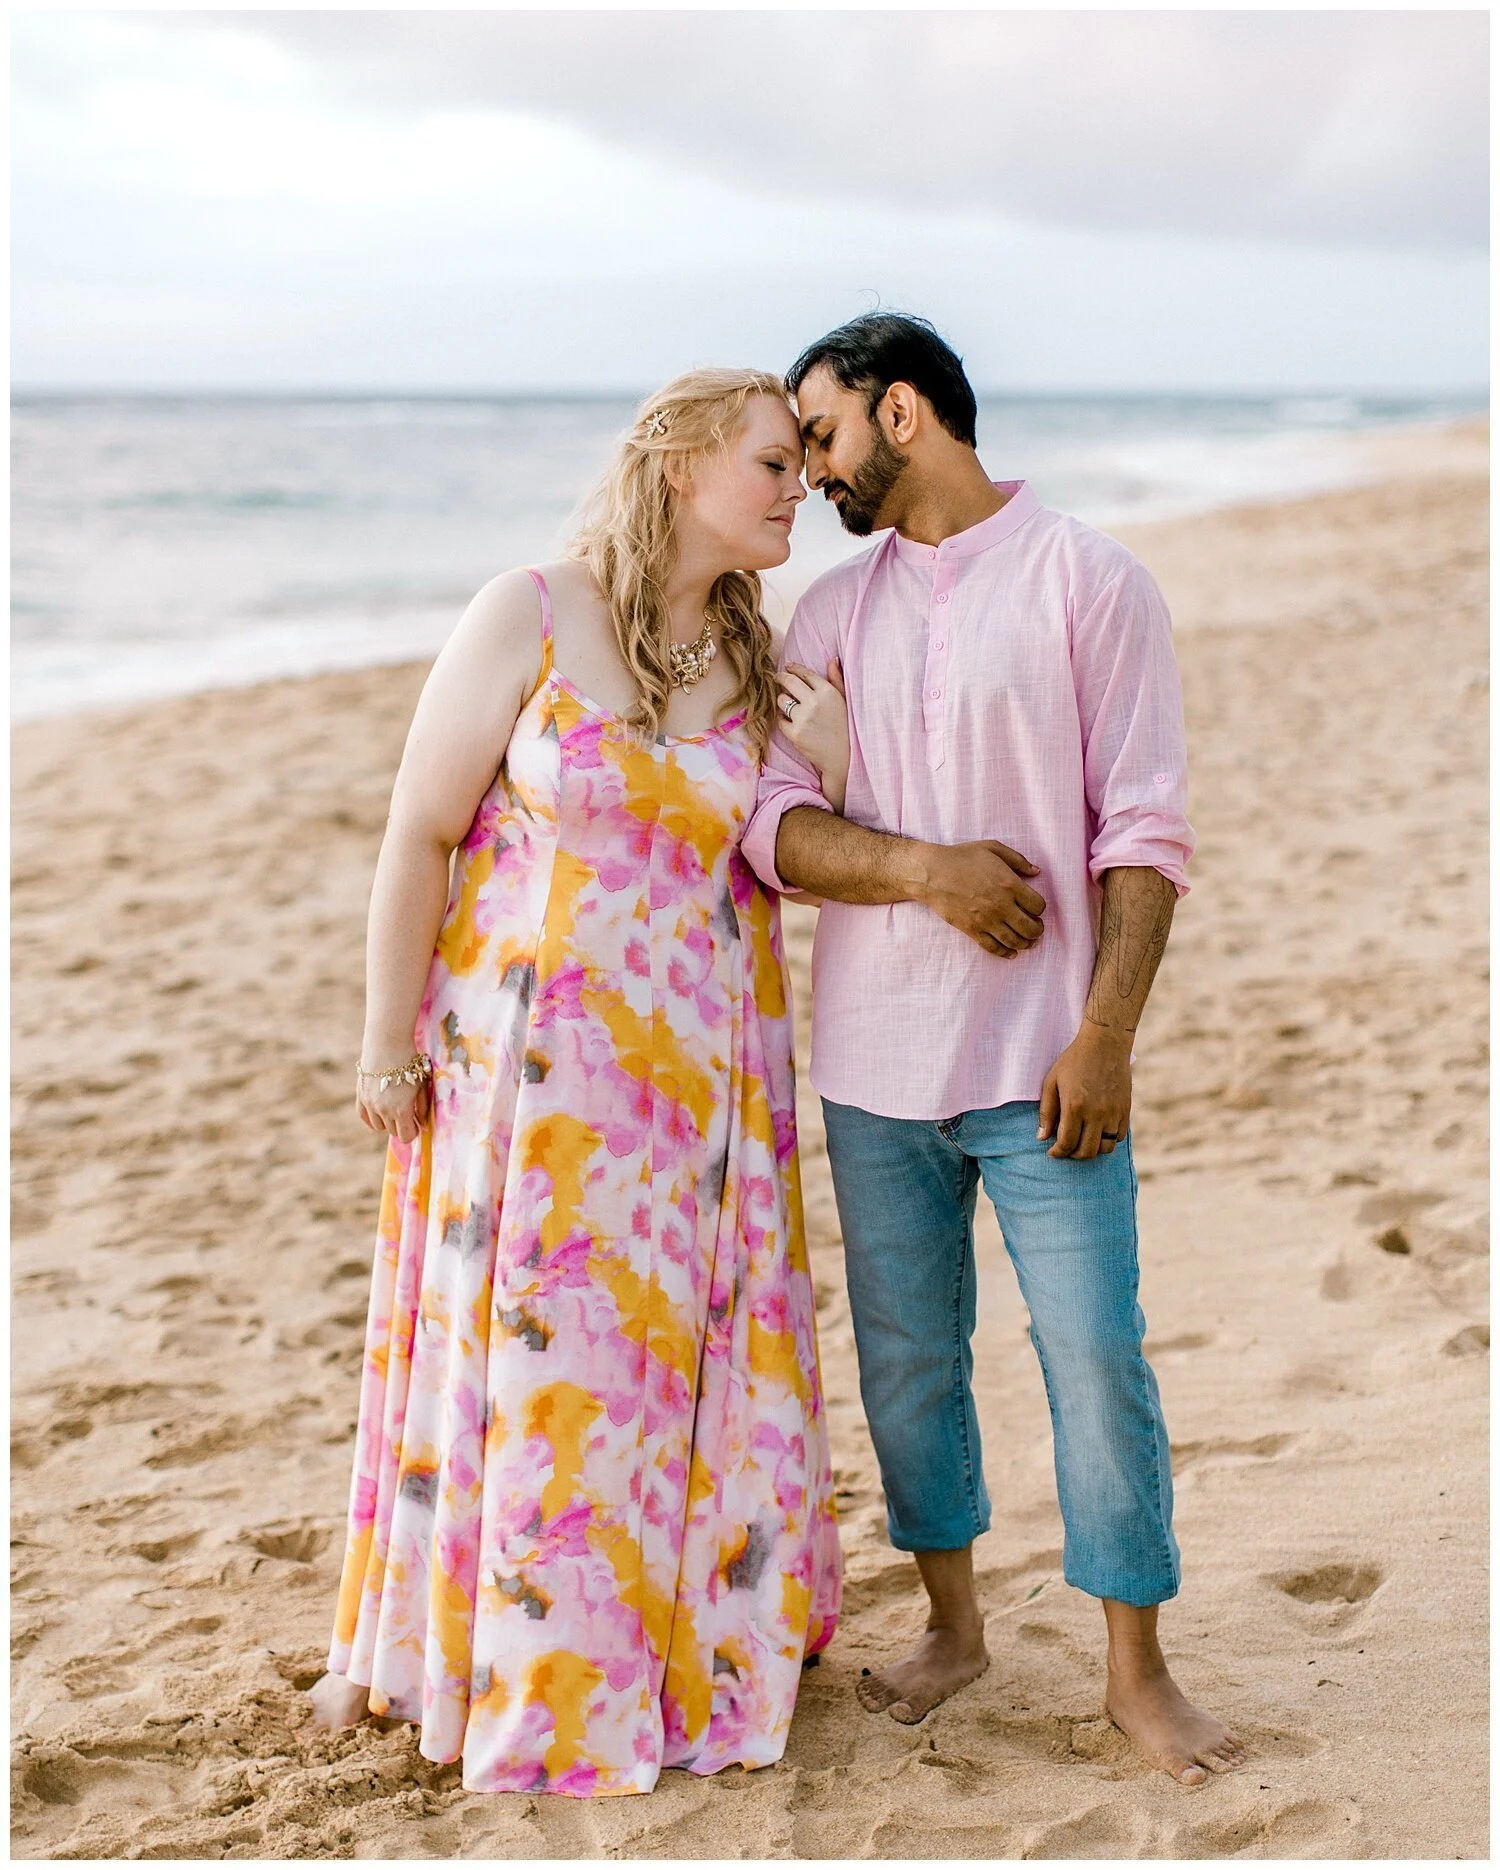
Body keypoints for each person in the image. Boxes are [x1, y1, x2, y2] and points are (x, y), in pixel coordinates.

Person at [307, 368, 846, 1797]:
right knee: (529, 1370)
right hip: (524, 1085)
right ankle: (477, 1656)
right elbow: (420, 831)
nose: (799, 487)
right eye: (773, 462)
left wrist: (837, 770)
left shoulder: (760, 662)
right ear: (678, 465)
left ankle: (663, 1657)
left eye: (802, 466)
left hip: (695, 1098)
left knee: (657, 1380)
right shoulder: (531, 612)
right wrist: (385, 1042)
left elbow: (789, 861)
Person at [743, 313, 1246, 1787]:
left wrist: (1109, 1034)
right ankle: (953, 1628)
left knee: (1094, 1354)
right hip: (873, 1067)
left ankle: (1137, 1672)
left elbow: (1144, 829)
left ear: (902, 412)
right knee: (909, 1366)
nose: (809, 471)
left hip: (1046, 1065)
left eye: (822, 433)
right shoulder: (830, 613)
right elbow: (771, 828)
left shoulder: (1092, 579)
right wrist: (924, 871)